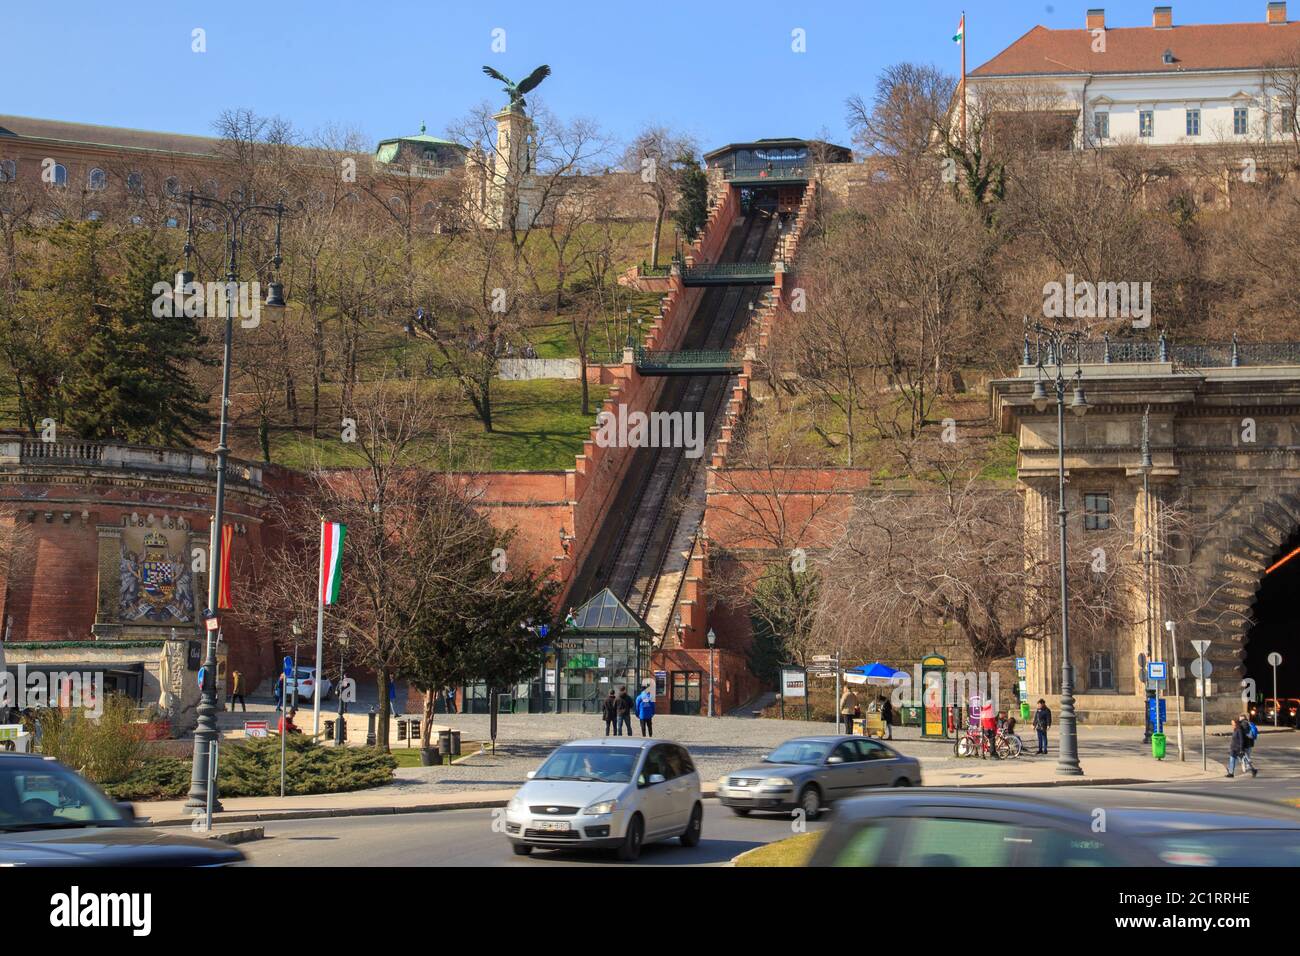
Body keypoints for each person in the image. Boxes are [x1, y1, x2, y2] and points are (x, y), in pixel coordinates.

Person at [1239, 713, 1260, 777]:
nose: (1239, 719)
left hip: (1245, 742)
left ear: (1242, 718)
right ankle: (1248, 765)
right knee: (1248, 754)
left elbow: (1243, 734)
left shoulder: (1243, 724)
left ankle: (1248, 766)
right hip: (1250, 742)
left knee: (1243, 755)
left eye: (1240, 718)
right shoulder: (1249, 723)